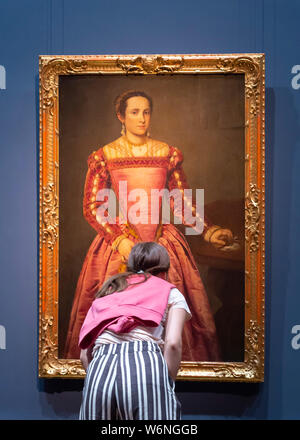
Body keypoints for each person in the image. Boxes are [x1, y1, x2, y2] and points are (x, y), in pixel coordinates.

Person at [64, 90, 234, 361]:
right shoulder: (105, 155)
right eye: (134, 112)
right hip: (119, 246)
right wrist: (120, 240)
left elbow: (180, 201)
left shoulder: (166, 153)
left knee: (176, 316)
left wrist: (209, 231)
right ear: (121, 116)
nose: (141, 118)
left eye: (146, 112)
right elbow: (94, 207)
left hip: (163, 245)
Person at [79, 242, 190, 420]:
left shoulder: (110, 290)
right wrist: (166, 381)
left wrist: (98, 374)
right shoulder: (169, 291)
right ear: (164, 270)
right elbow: (173, 343)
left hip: (99, 369)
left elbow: (85, 355)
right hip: (144, 367)